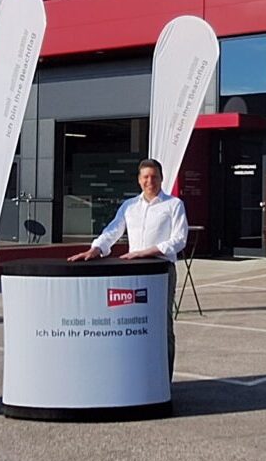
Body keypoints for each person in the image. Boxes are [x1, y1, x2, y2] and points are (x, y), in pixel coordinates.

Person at [68, 158, 187, 377]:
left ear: (161, 178)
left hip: (161, 271)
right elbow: (113, 230)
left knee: (162, 325)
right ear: (139, 180)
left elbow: (179, 240)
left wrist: (146, 251)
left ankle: (164, 380)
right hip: (134, 272)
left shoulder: (174, 205)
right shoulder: (129, 206)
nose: (150, 181)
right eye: (145, 177)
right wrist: (96, 249)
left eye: (154, 176)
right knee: (135, 323)